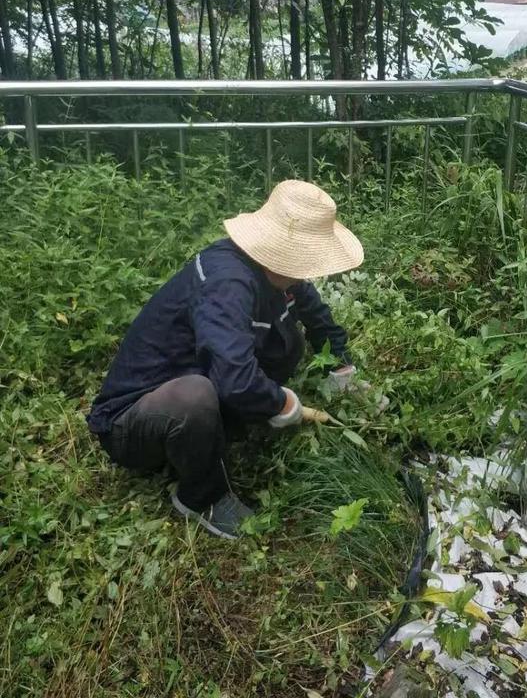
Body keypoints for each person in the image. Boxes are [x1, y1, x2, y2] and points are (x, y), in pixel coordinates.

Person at [87, 179, 364, 540]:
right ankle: (202, 498)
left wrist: (341, 368)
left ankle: (224, 426)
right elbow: (233, 376)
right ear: (281, 249)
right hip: (136, 419)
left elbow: (318, 318)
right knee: (195, 397)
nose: (308, 272)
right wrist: (281, 402)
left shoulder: (283, 274)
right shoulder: (226, 281)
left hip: (201, 381)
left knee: (287, 339)